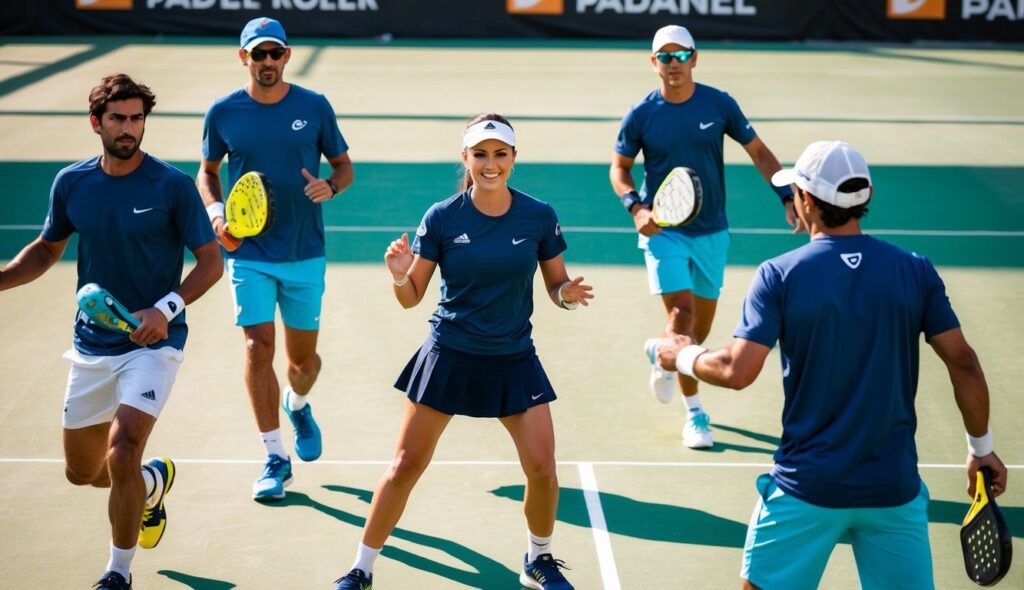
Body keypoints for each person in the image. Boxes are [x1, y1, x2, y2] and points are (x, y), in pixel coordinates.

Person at [654, 140, 1008, 589]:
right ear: (866, 199)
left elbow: (735, 371)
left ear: (804, 200)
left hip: (808, 489)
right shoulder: (915, 271)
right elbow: (965, 364)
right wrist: (981, 448)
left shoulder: (779, 274)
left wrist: (679, 354)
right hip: (892, 491)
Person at [331, 114, 593, 590]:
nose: (490, 164)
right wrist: (398, 272)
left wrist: (566, 295)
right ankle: (361, 567)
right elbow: (412, 296)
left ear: (513, 158)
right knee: (405, 466)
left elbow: (556, 285)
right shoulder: (443, 217)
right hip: (449, 354)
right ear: (466, 158)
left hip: (513, 357)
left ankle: (538, 559)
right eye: (481, 154)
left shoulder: (538, 215)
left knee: (542, 468)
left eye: (500, 154)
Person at [0, 74, 222, 590]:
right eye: (119, 118)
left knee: (122, 449)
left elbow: (211, 261)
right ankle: (149, 484)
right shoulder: (72, 183)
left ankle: (117, 573)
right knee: (84, 472)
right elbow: (45, 250)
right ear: (96, 122)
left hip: (153, 342)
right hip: (91, 344)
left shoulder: (171, 185)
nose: (129, 129)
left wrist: (166, 308)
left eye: (137, 118)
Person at [610, 24, 797, 449]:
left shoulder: (720, 103)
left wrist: (786, 195)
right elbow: (618, 169)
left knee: (700, 330)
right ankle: (696, 415)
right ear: (653, 62)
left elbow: (759, 152)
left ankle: (665, 353)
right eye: (665, 56)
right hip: (664, 231)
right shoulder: (642, 114)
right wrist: (636, 208)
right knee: (682, 316)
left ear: (695, 59)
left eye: (681, 56)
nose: (673, 64)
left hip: (712, 231)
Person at [198, 17, 354, 501]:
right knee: (256, 348)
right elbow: (207, 172)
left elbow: (344, 167)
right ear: (242, 57)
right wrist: (216, 211)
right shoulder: (223, 112)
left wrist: (330, 185)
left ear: (286, 56)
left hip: (305, 251)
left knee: (302, 361)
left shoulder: (314, 106)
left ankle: (299, 403)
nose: (267, 62)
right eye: (258, 53)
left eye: (275, 53)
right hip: (250, 252)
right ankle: (274, 457)